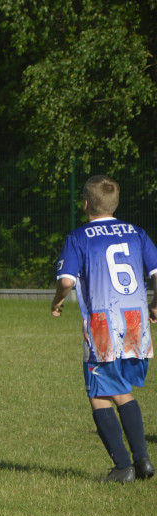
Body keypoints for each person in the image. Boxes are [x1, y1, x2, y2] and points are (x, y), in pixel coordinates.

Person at [51, 174, 157, 483]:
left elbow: (67, 281)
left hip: (103, 323)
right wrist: (154, 304)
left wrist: (57, 301)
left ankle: (123, 466)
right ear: (115, 203)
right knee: (121, 389)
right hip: (135, 321)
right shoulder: (136, 232)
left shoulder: (80, 237)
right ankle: (143, 461)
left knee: (98, 392)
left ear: (85, 204)